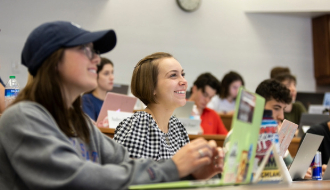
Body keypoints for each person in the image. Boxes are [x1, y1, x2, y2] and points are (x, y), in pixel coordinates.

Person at [0, 21, 224, 190]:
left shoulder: (79, 122)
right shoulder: (22, 117)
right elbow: (78, 179)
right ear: (53, 60)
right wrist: (175, 167)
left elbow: (126, 164)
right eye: (85, 50)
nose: (96, 59)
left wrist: (192, 173)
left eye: (95, 52)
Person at [114, 52, 191, 161]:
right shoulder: (138, 125)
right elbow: (130, 175)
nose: (184, 81)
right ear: (152, 87)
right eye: (173, 75)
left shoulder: (177, 127)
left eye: (182, 74)